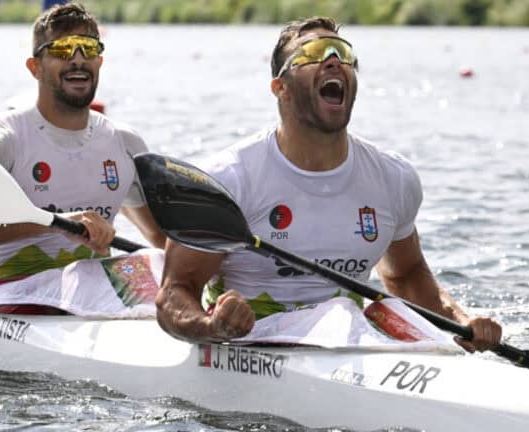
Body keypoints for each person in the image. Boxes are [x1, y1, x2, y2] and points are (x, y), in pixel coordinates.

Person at [156, 16, 502, 352]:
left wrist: (461, 321)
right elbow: (175, 292)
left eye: (343, 53)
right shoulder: (228, 179)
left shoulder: (393, 178)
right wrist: (210, 326)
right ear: (281, 88)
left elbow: (406, 275)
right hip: (251, 344)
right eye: (314, 53)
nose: (334, 61)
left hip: (349, 340)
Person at [0, 3, 165, 313]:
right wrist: (57, 225)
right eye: (62, 50)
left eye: (88, 49)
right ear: (35, 67)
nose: (78, 60)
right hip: (12, 290)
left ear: (100, 61)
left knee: (165, 271)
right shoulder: (2, 140)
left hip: (90, 288)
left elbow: (161, 238)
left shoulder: (124, 144)